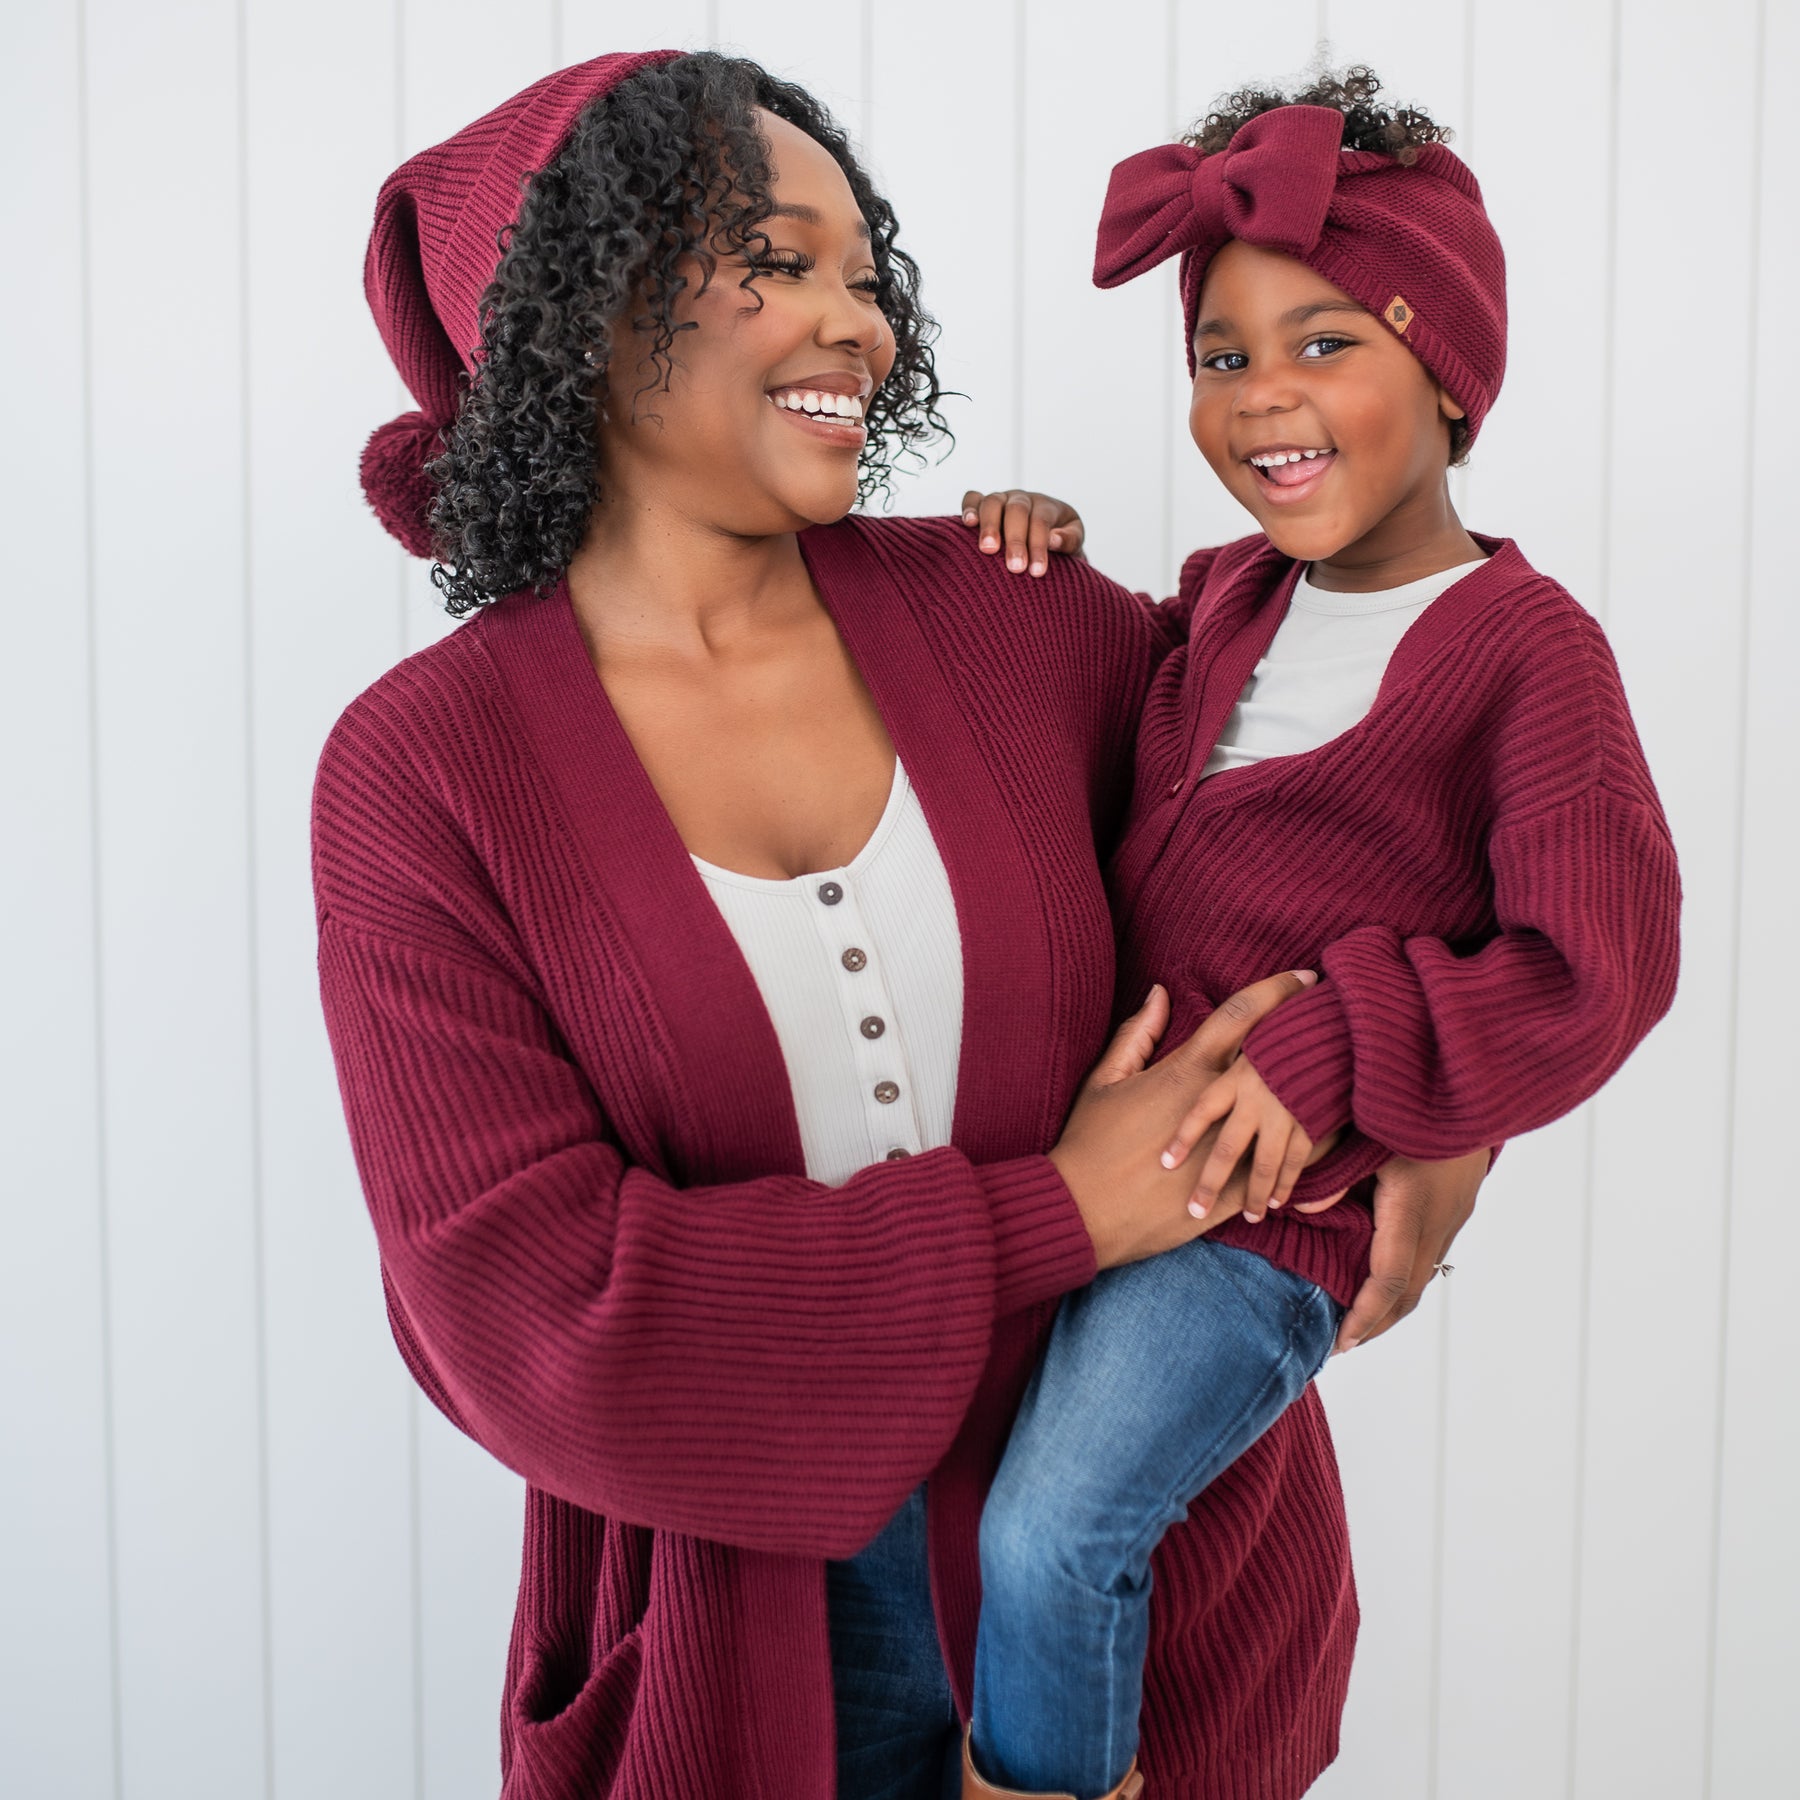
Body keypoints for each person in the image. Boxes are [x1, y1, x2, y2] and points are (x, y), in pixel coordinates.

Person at [318, 48, 1488, 1800]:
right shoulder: (425, 773)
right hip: (742, 1637)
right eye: (777, 260)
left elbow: (1373, 821)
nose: (856, 325)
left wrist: (1446, 1112)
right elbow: (534, 1313)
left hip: (1165, 1574)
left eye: (866, 276)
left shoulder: (1017, 623)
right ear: (575, 299)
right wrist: (1064, 1211)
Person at [955, 67, 1682, 1800]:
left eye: (1328, 343)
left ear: (1451, 369)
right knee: (988, 1505)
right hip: (1103, 1168)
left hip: (1262, 1230)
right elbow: (1087, 737)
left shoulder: (1526, 654)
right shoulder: (1222, 604)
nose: (1265, 396)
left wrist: (1339, 1038)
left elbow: (1600, 966)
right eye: (1222, 357)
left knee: (1056, 1535)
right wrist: (1023, 553)